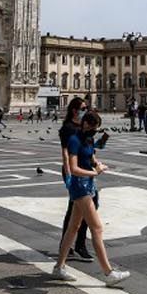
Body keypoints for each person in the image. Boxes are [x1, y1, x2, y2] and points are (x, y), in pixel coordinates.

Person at [52, 109, 129, 287]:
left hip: (88, 185)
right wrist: (95, 172)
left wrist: (98, 164)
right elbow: (73, 168)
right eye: (94, 127)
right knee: (97, 228)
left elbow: (92, 157)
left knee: (73, 227)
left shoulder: (88, 139)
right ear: (85, 124)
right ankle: (108, 273)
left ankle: (59, 267)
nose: (95, 130)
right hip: (79, 187)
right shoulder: (73, 140)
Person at [57, 97, 95, 263]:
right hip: (75, 172)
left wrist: (95, 162)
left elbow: (89, 147)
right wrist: (69, 174)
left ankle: (69, 246)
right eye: (83, 108)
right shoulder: (68, 128)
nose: (85, 110)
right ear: (74, 110)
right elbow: (65, 152)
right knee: (78, 209)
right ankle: (76, 246)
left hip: (85, 170)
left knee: (77, 211)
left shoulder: (82, 127)